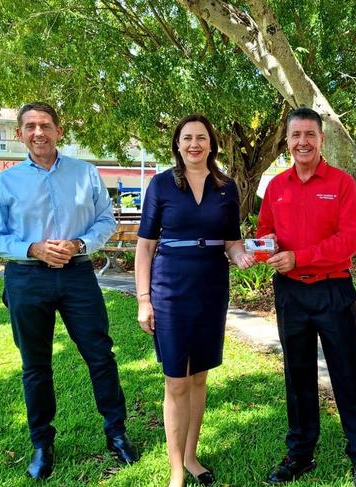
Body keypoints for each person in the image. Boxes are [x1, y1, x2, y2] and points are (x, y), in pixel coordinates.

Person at [0, 102, 139, 480]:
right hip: (26, 278)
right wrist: (31, 248)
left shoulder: (86, 173)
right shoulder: (5, 182)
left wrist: (80, 244)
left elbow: (105, 220)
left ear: (59, 131)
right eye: (30, 126)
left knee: (100, 355)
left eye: (45, 125)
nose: (38, 132)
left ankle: (116, 433)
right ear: (20, 135)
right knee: (35, 365)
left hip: (78, 275)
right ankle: (42, 443)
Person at [257, 107, 356, 487]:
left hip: (332, 290)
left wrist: (300, 257)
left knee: (347, 374)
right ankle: (300, 452)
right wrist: (265, 247)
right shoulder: (276, 187)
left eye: (310, 134)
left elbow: (350, 241)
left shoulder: (341, 183)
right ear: (288, 141)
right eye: (296, 136)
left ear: (321, 139)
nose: (302, 142)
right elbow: (265, 231)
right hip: (290, 293)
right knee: (297, 375)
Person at [134, 114, 253, 487]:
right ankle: (174, 471)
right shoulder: (161, 185)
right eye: (187, 138)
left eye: (201, 138)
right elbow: (145, 246)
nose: (194, 145)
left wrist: (242, 256)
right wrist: (144, 299)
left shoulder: (227, 187)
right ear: (177, 144)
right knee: (176, 381)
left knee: (199, 377)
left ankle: (190, 456)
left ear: (212, 144)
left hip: (211, 288)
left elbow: (231, 241)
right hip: (170, 288)